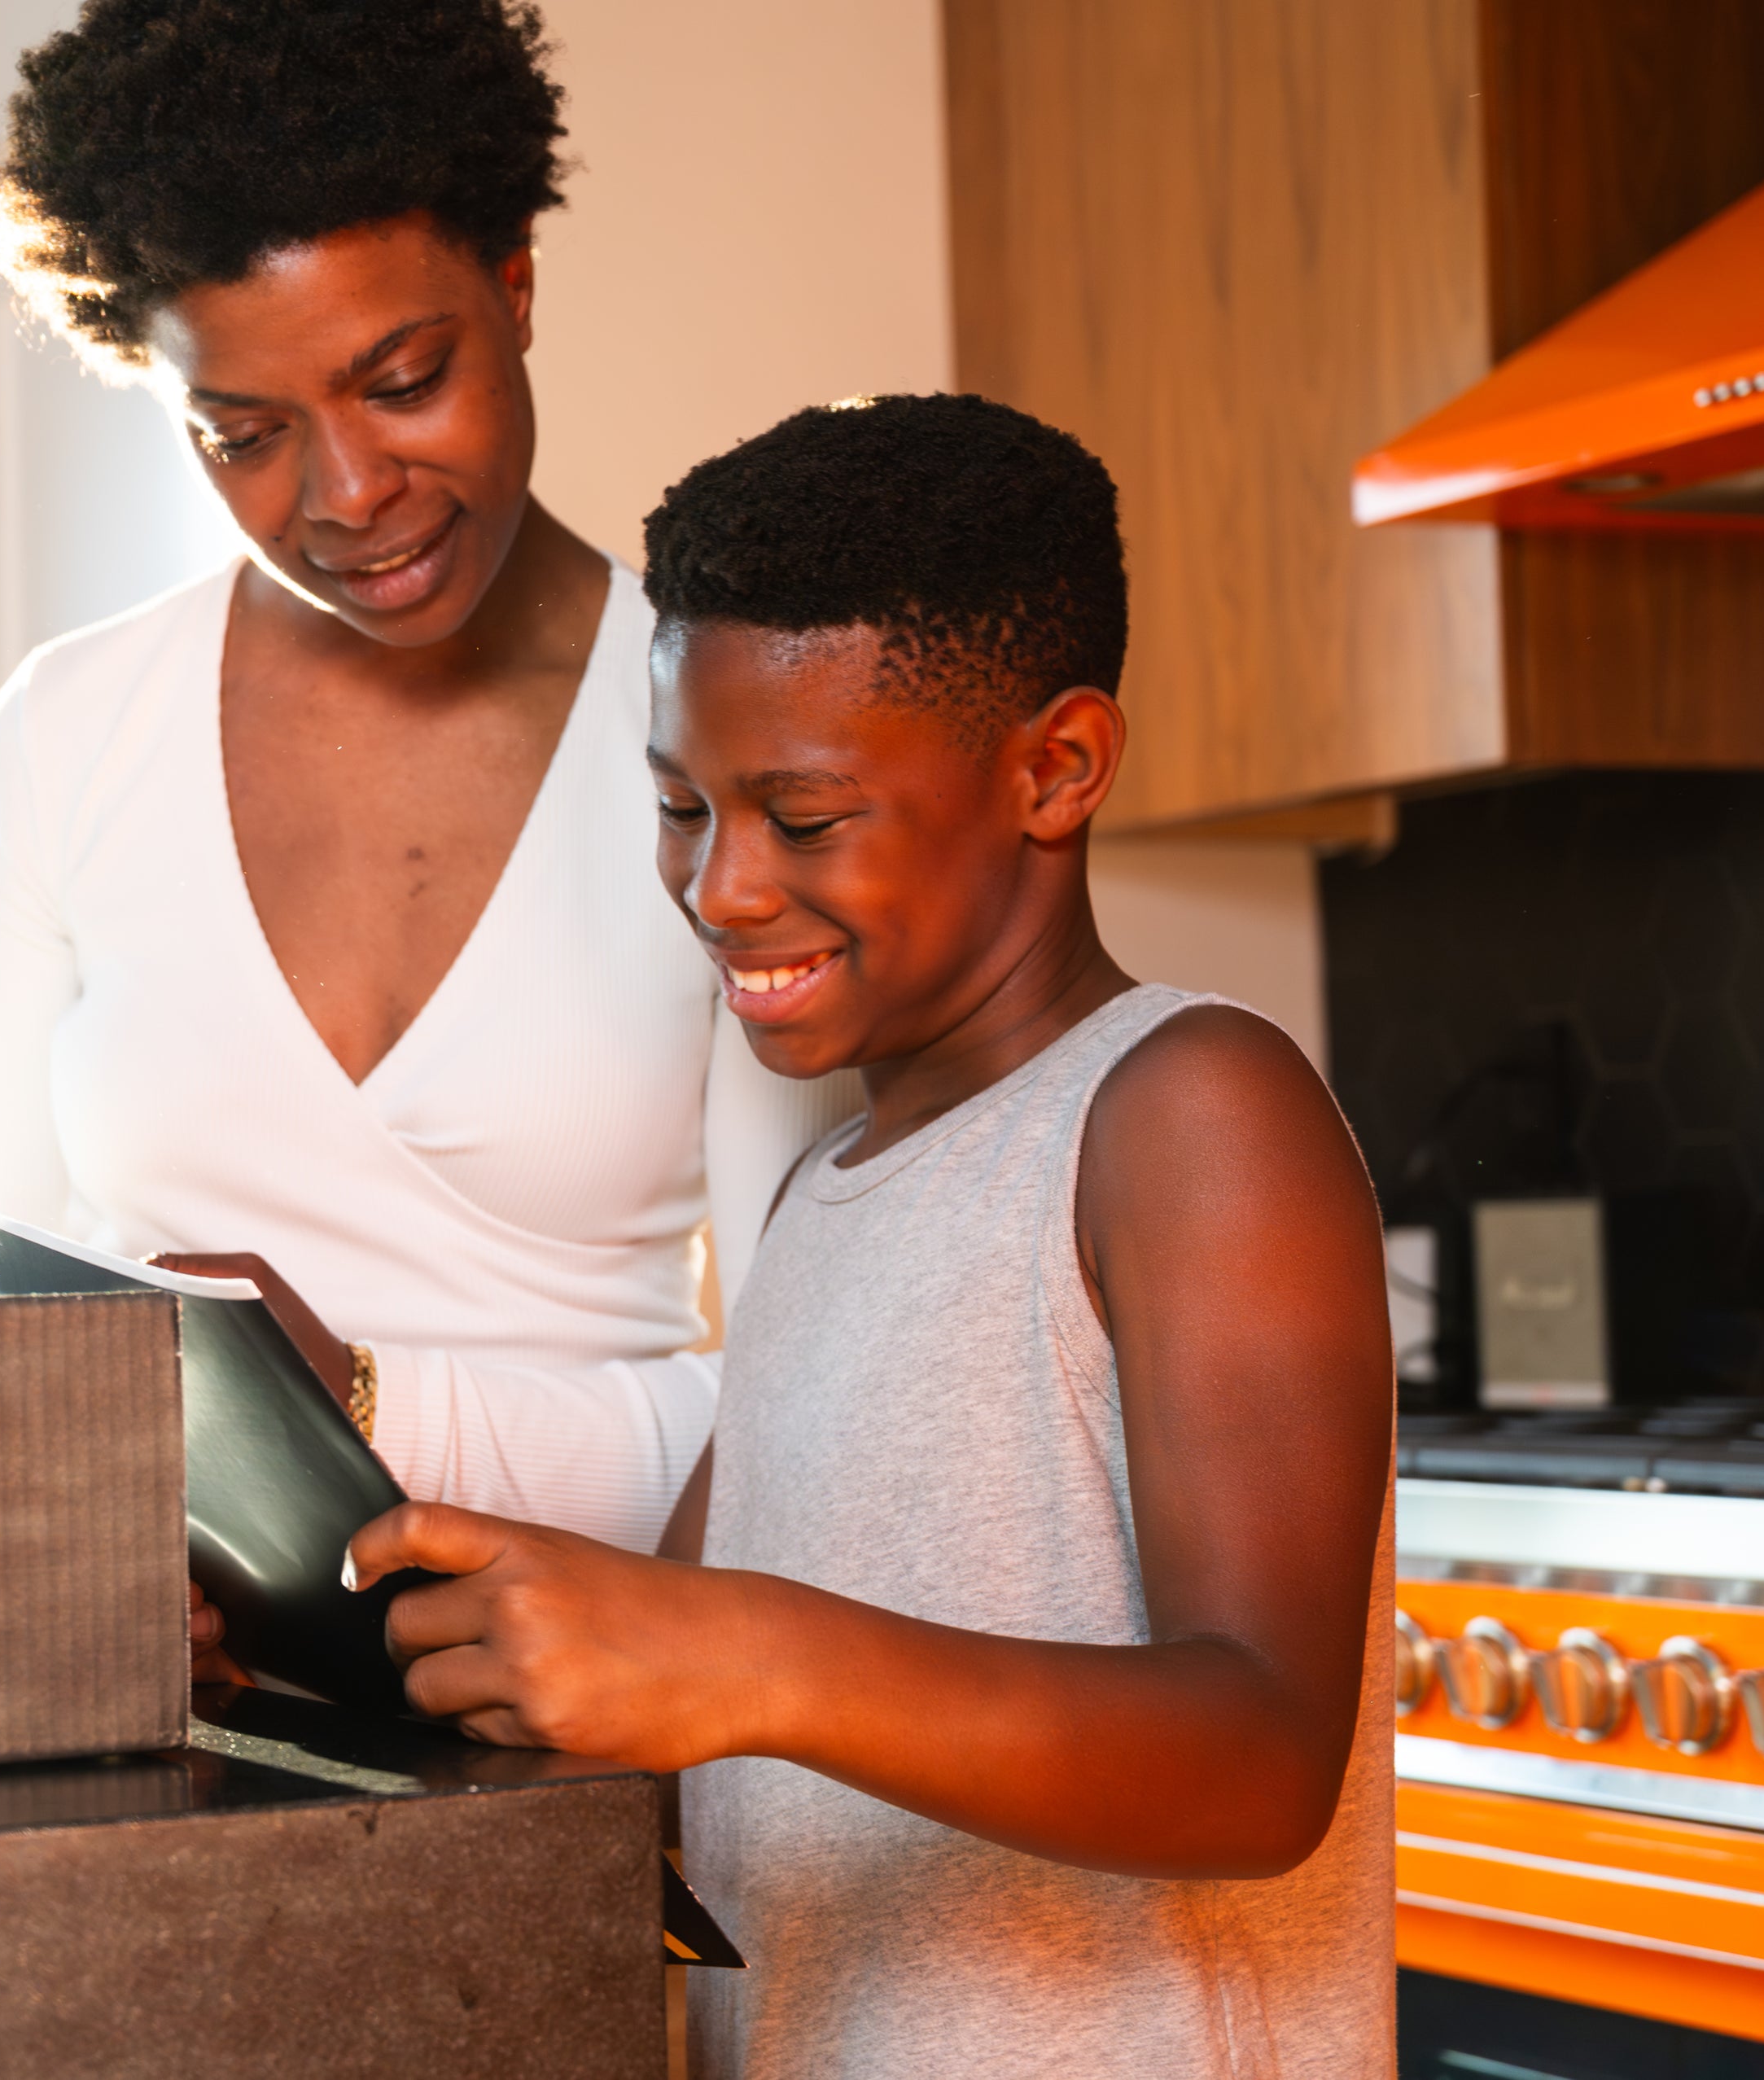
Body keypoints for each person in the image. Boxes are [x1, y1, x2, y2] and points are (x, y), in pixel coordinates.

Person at [345, 394, 1395, 2076]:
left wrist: (749, 1658)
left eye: (805, 818)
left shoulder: (1187, 1111)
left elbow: (1262, 1755)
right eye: (684, 808)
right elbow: (658, 1666)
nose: (723, 889)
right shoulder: (820, 1197)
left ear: (1056, 770)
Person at [0, 0, 849, 1560]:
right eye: (245, 432)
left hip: (600, 1700)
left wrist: (355, 1399)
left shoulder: (730, 743)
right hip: (183, 1712)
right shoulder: (68, 736)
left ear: (515, 286)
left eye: (402, 380)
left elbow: (816, 1419)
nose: (349, 496)